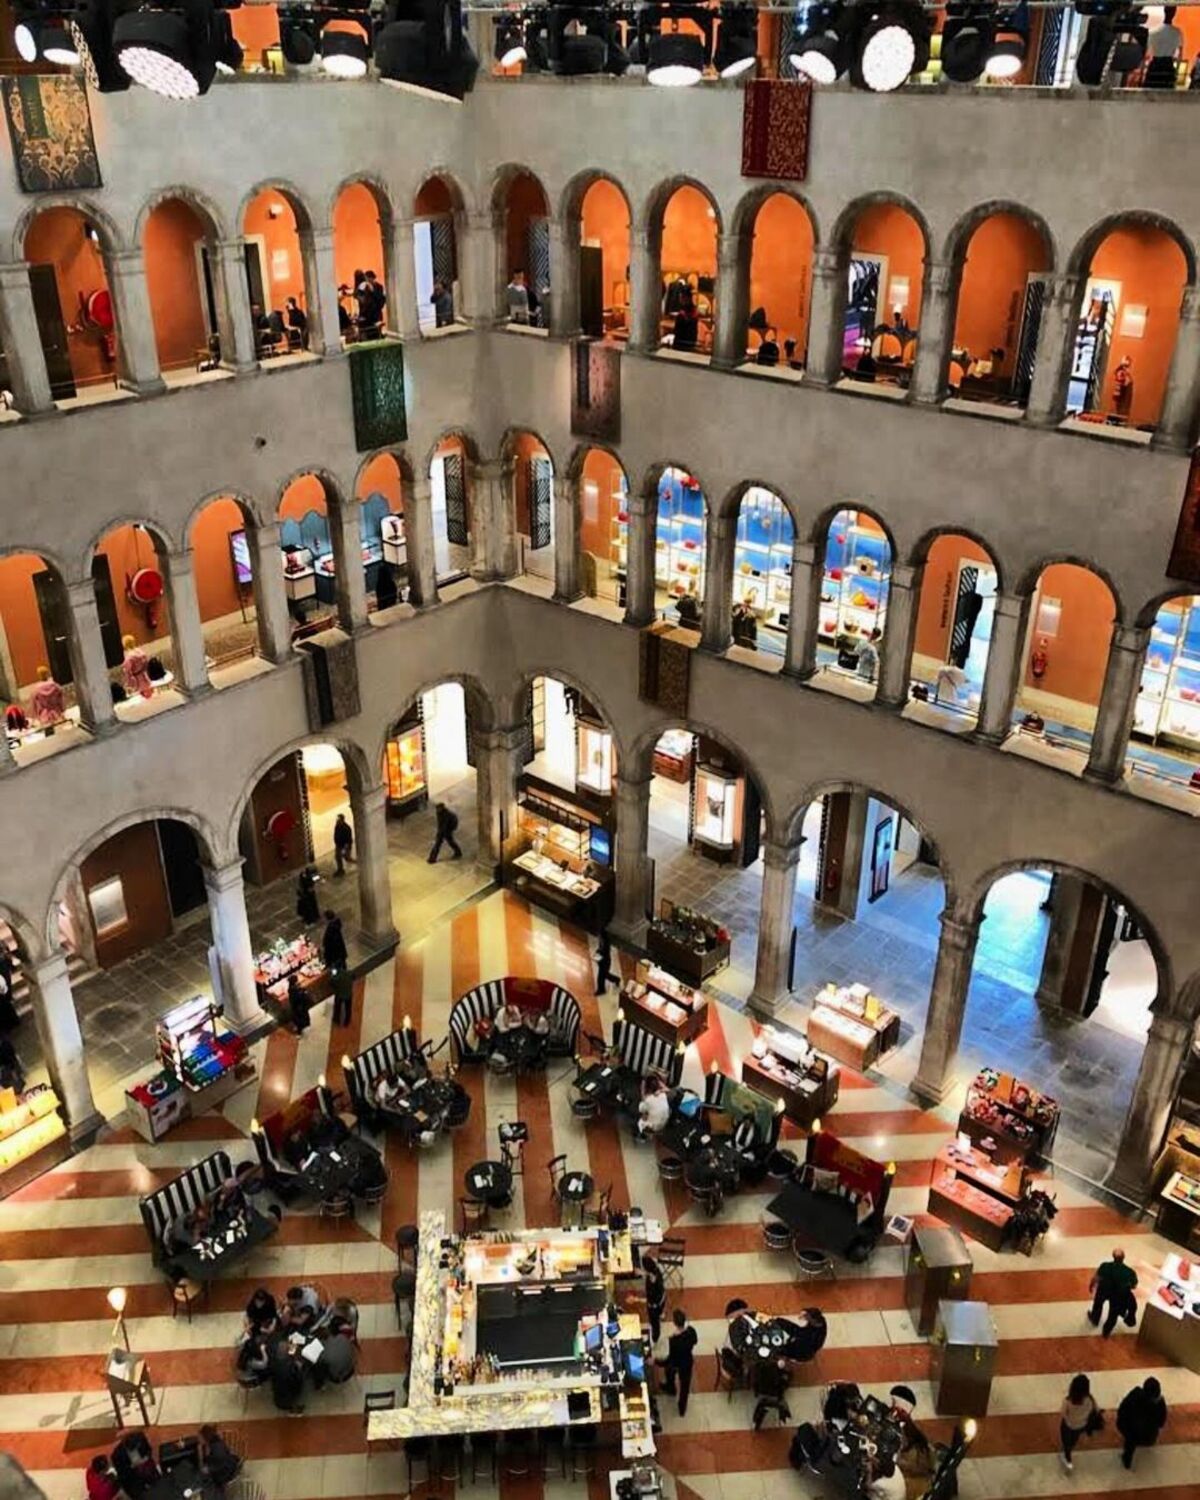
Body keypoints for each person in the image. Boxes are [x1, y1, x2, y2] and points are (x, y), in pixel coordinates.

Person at [1116, 1376, 1167, 1470]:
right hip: (1146, 1436)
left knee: (1131, 1439)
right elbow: (1161, 1423)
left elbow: (1121, 1410)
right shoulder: (1159, 1405)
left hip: (1127, 1428)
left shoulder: (1135, 1394)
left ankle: (1127, 1459)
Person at [1088, 1246, 1138, 1337]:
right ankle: (1106, 1331)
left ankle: (1095, 1319)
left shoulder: (1105, 1266)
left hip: (1103, 1291)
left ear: (1113, 1256)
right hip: (1117, 1295)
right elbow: (1134, 1285)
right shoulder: (1130, 1272)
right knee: (1113, 1314)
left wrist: (1091, 1286)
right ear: (1123, 1258)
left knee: (1098, 1304)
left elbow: (1096, 1278)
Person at [657, 1307, 697, 1416]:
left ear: (674, 1323)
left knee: (669, 1372)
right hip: (687, 1363)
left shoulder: (673, 1341)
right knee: (685, 1386)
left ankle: (671, 1388)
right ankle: (682, 1408)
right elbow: (695, 1341)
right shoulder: (691, 1332)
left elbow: (669, 1358)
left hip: (676, 1363)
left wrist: (656, 1362)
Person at [1059, 1372, 1099, 1473]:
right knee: (1074, 1438)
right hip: (1081, 1425)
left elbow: (1063, 1413)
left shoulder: (1068, 1401)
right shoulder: (1090, 1400)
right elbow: (1095, 1410)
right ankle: (1070, 1448)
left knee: (1066, 1440)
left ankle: (1068, 1459)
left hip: (1068, 1424)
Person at [1144, 6, 1183, 86]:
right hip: (1167, 65)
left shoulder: (1153, 32)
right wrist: (1177, 71)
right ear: (1174, 13)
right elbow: (1180, 54)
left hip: (1155, 65)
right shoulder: (1177, 32)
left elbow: (1147, 53)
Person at [751, 1356, 791, 1430]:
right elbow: (784, 1384)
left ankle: (755, 1422)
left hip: (762, 1395)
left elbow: (754, 1381)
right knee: (783, 1404)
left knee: (760, 1408)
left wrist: (756, 1391)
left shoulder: (759, 1367)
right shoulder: (778, 1373)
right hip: (774, 1397)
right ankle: (783, 1417)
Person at [269, 1340, 305, 1413]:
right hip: (288, 1397)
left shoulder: (273, 1363)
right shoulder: (291, 1366)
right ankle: (295, 1407)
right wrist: (299, 1367)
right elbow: (298, 1379)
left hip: (277, 1395)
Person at [638, 1075, 671, 1139]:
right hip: (663, 1124)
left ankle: (642, 1133)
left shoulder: (648, 1100)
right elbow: (668, 1090)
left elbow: (640, 1109)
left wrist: (642, 1092)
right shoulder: (663, 1095)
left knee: (642, 1113)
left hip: (654, 1127)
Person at [643, 1253, 666, 1344]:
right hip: (660, 1301)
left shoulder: (653, 1285)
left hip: (655, 1306)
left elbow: (650, 1300)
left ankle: (655, 1339)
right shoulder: (656, 1272)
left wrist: (636, 1299)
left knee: (655, 1323)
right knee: (654, 1321)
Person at [1111, 354, 1134, 421]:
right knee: (1119, 407)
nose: (1126, 368)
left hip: (1121, 391)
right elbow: (1125, 382)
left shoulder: (1122, 372)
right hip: (1119, 391)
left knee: (1120, 407)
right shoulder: (1121, 372)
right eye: (1126, 366)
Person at [331, 963, 354, 1028]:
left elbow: (332, 982)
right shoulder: (349, 973)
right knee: (348, 1008)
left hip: (339, 994)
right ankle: (347, 1021)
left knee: (337, 1007)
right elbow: (354, 977)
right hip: (348, 993)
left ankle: (337, 1020)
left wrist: (333, 974)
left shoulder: (337, 976)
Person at [333, 811, 354, 876]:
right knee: (337, 857)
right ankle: (340, 870)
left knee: (347, 858)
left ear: (342, 820)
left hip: (344, 846)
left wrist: (345, 849)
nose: (337, 821)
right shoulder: (337, 826)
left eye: (338, 819)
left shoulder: (347, 828)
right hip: (339, 845)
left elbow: (348, 840)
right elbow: (335, 834)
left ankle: (359, 863)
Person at [595, 926, 614, 995]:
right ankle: (616, 979)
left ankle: (601, 990)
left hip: (605, 962)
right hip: (602, 961)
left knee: (601, 977)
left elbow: (604, 951)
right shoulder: (602, 941)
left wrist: (599, 952)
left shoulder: (606, 943)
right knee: (605, 975)